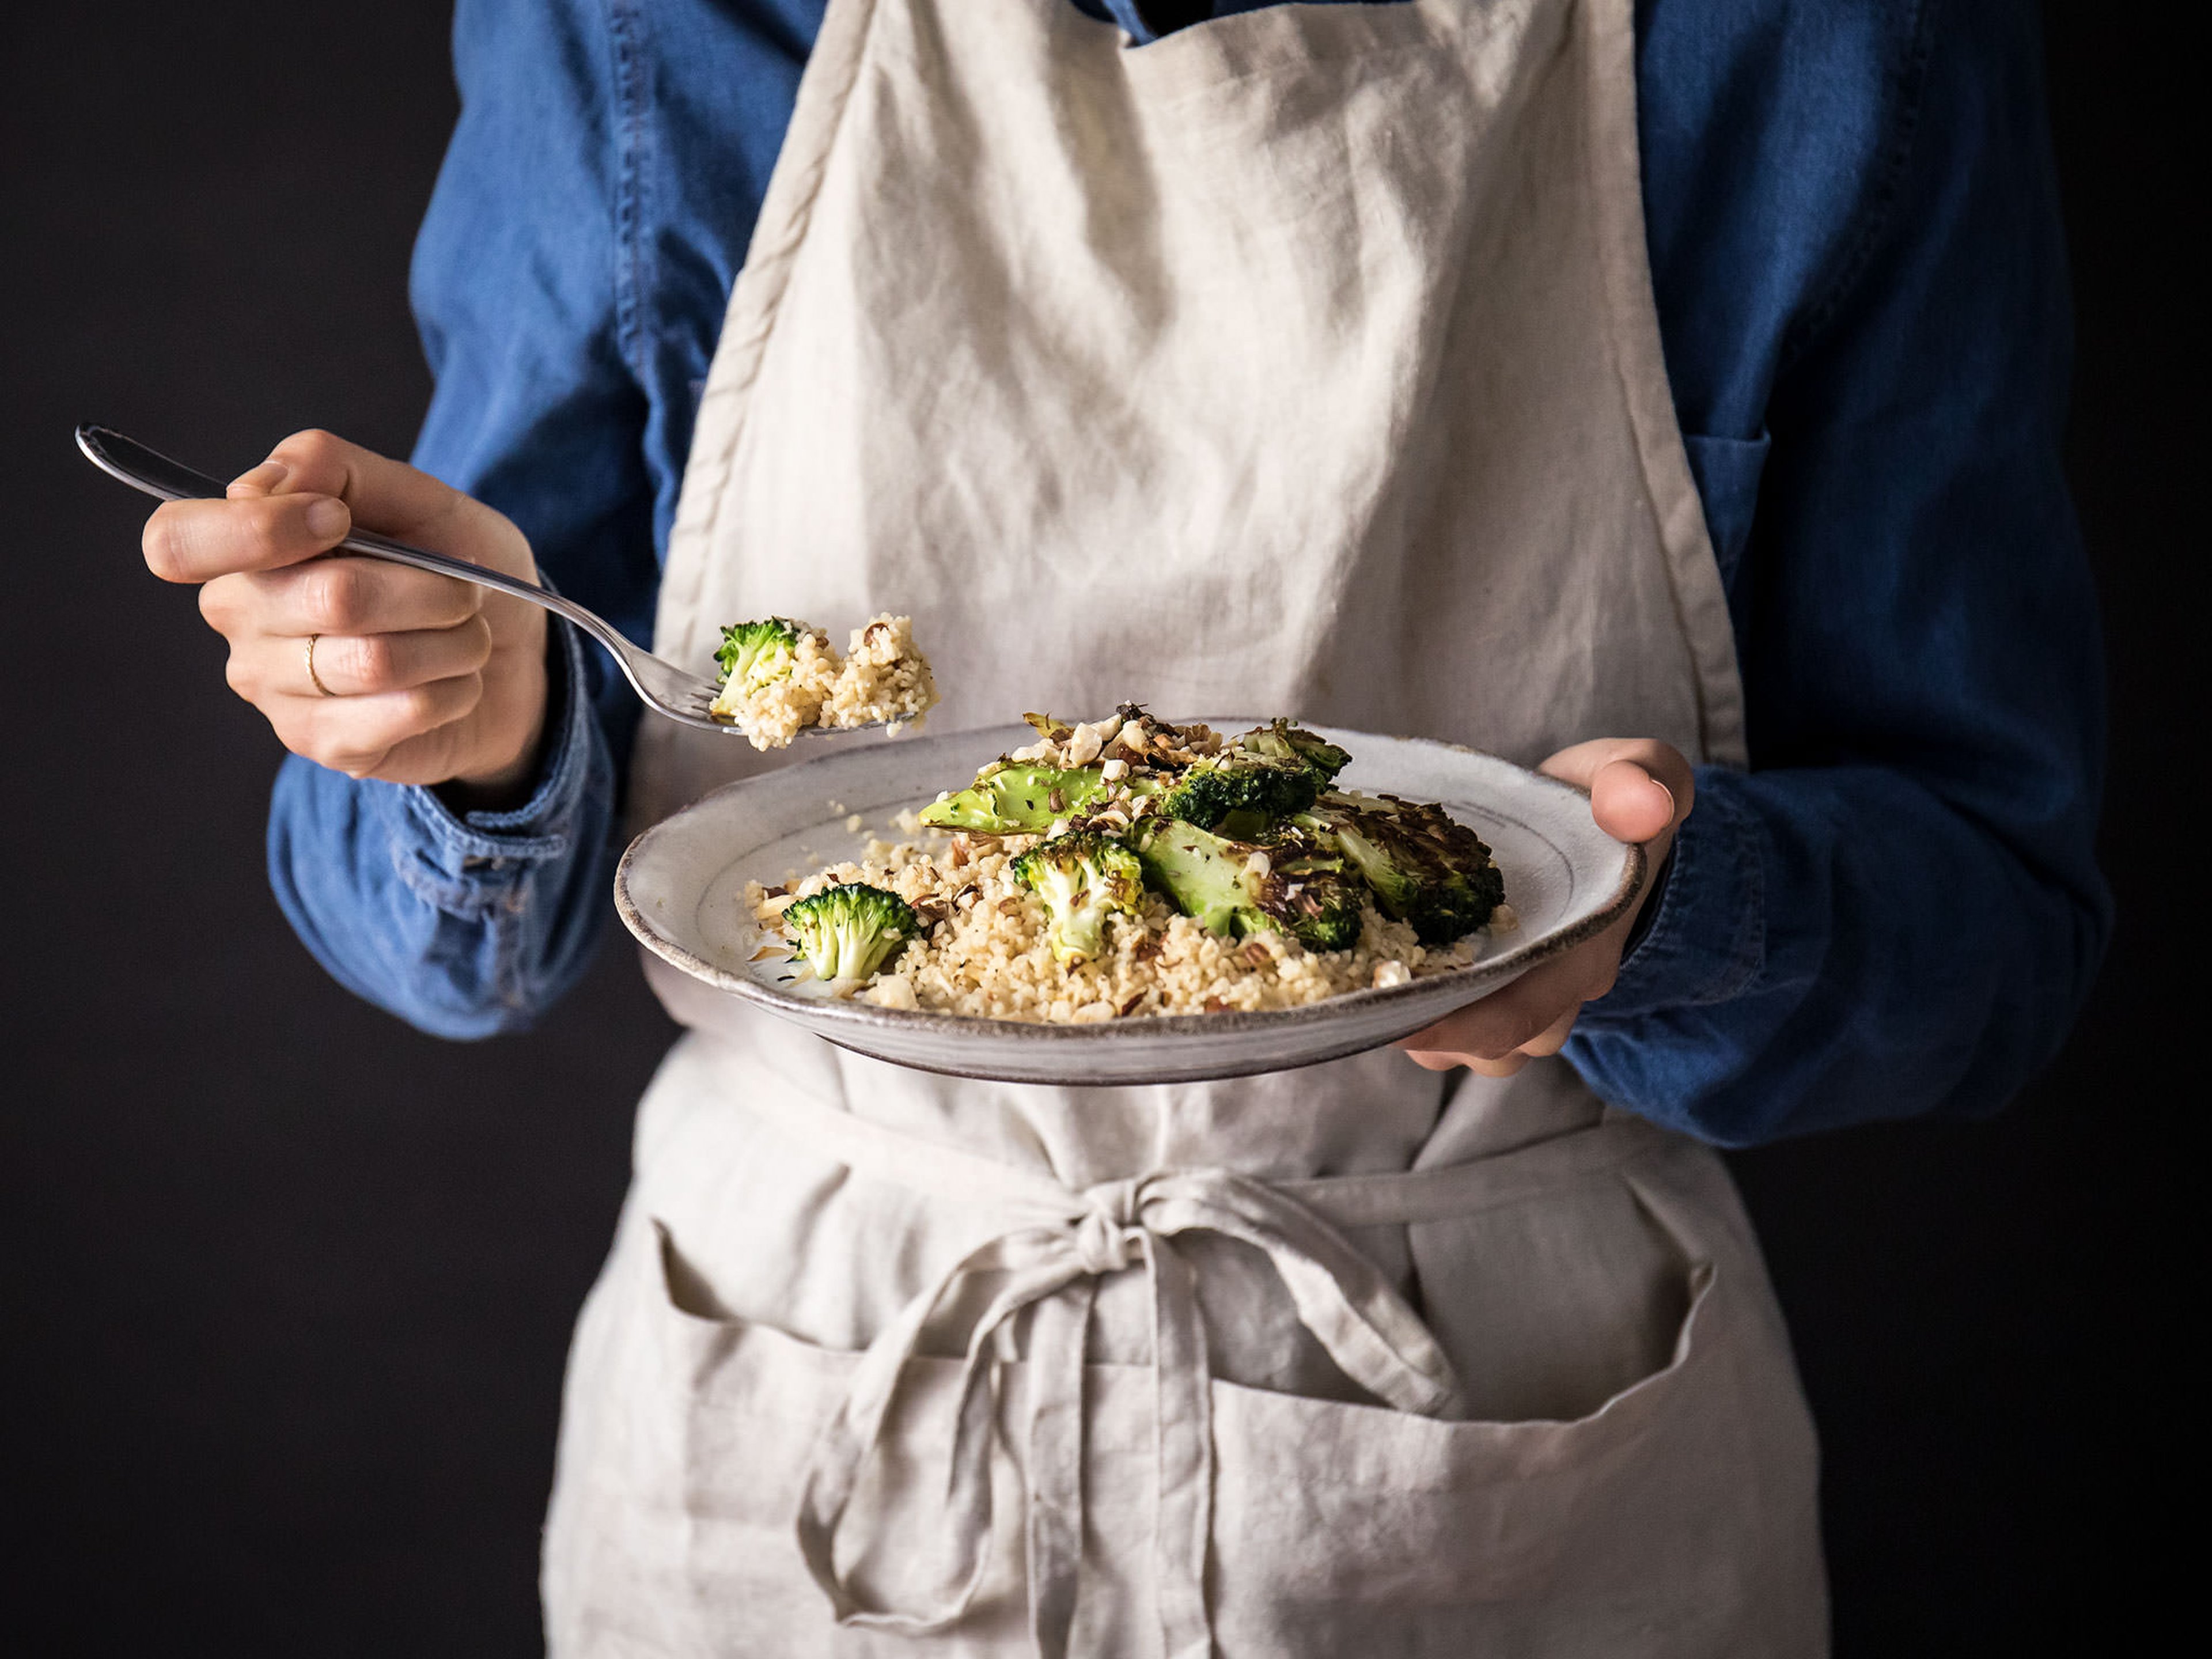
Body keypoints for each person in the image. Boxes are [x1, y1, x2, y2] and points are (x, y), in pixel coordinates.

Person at [138, 0, 2107, 1652]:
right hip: (803, 1403)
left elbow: (1999, 929)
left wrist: (1659, 915)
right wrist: (474, 731)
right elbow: (431, 944)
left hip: (1513, 1450)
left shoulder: (1824, 38)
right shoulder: (643, 25)